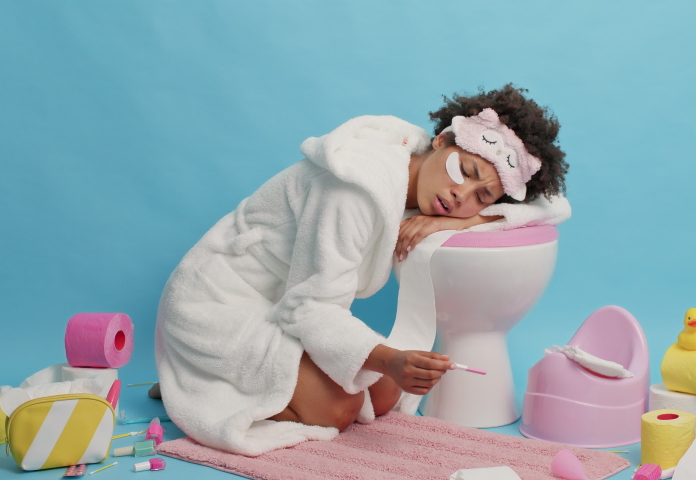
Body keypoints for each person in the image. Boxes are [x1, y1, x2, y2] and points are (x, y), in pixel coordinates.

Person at [154, 84, 570, 456]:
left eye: (482, 197)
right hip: (215, 304)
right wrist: (390, 359)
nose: (461, 195)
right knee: (339, 408)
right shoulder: (355, 190)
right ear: (441, 140)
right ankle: (203, 380)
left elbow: (554, 206)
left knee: (386, 393)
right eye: (465, 172)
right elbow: (309, 309)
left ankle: (223, 378)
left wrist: (461, 220)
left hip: (281, 305)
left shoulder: (420, 172)